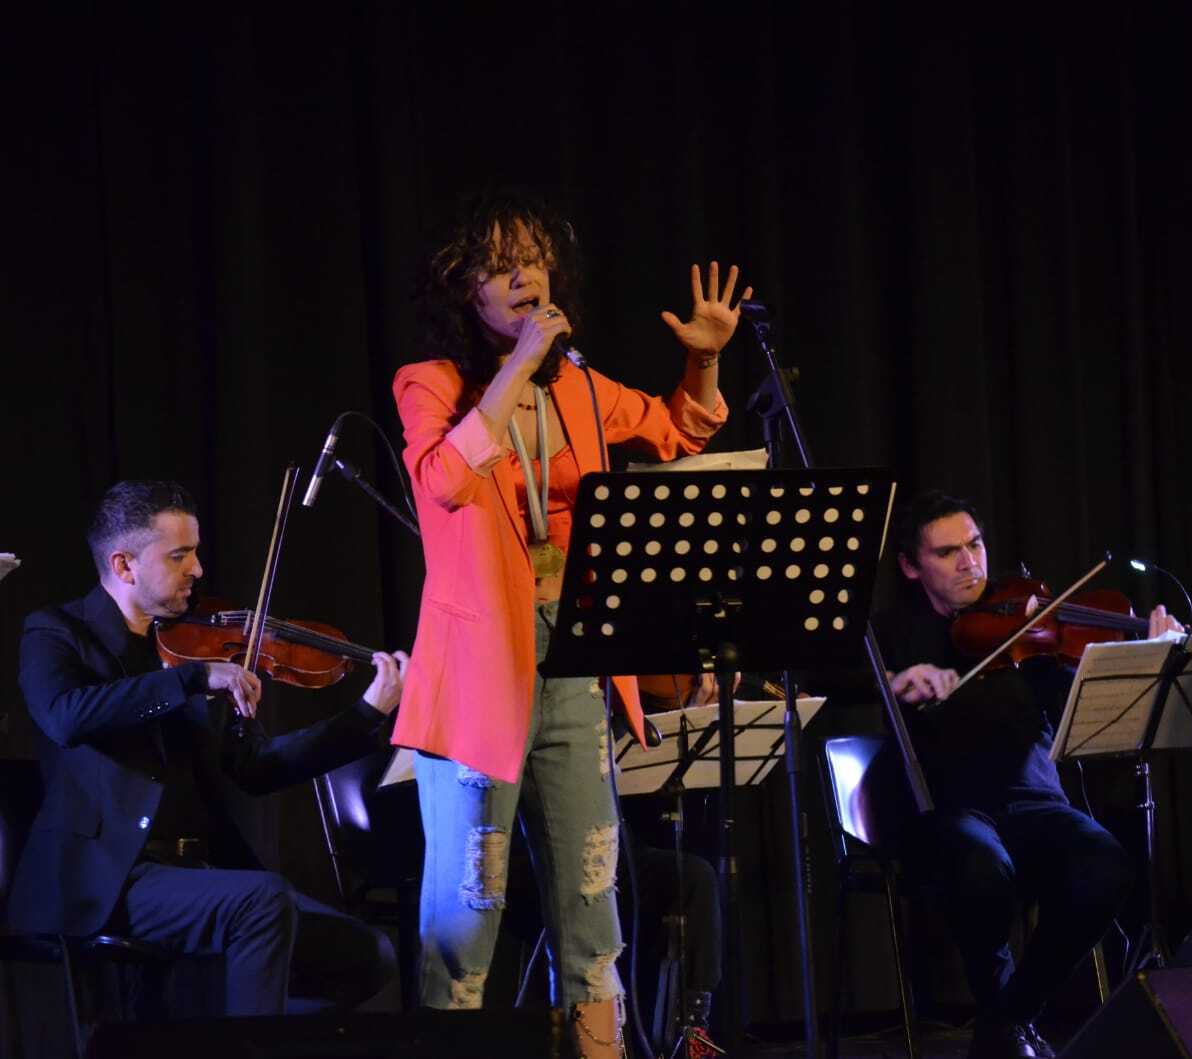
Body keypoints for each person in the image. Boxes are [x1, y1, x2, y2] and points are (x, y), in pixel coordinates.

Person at [394, 186, 749, 1057]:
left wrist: (703, 362)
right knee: (465, 925)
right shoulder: (431, 384)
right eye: (500, 265)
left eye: (534, 260)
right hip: (479, 684)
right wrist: (518, 365)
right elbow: (442, 480)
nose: (523, 277)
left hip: (575, 668)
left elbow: (679, 429)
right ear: (465, 289)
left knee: (593, 919)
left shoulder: (583, 389)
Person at [7, 480, 407, 1017]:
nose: (197, 569)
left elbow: (257, 769)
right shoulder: (57, 631)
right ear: (124, 566)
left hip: (198, 873)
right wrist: (191, 680)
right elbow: (64, 715)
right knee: (261, 902)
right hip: (109, 879)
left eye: (195, 552)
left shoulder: (188, 650)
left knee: (365, 954)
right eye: (179, 555)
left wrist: (367, 714)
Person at [873, 491, 1181, 1059]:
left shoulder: (1029, 621)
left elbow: (1083, 702)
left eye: (976, 545)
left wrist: (1149, 653)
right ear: (912, 566)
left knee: (1107, 866)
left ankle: (1009, 1015)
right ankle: (1003, 1015)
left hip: (1035, 803)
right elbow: (827, 693)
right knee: (981, 868)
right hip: (950, 809)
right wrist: (893, 683)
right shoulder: (888, 634)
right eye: (948, 553)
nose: (970, 563)